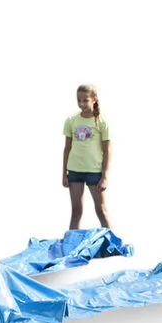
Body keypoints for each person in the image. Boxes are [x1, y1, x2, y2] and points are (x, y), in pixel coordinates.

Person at [62, 84, 112, 229]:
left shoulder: (102, 122)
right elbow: (67, 148)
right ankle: (72, 241)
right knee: (76, 211)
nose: (82, 104)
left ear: (94, 100)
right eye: (79, 100)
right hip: (74, 171)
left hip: (94, 171)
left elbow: (107, 150)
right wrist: (64, 174)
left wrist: (104, 177)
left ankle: (111, 240)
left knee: (101, 210)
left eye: (85, 100)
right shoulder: (71, 120)